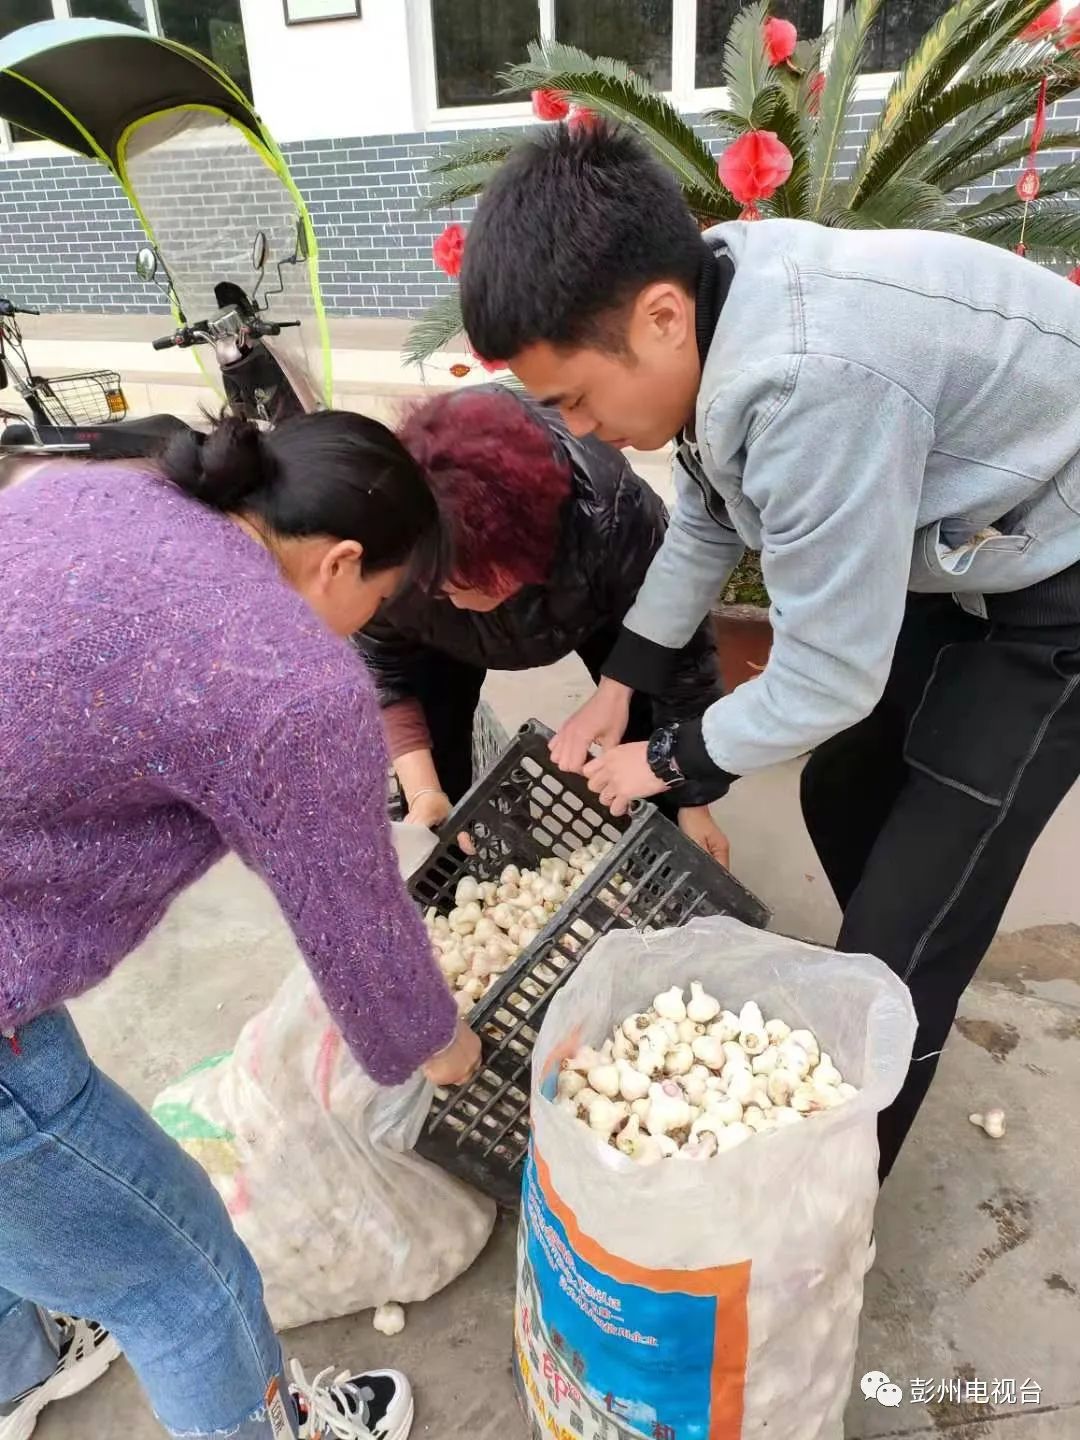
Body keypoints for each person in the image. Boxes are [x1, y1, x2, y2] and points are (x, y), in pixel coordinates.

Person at [456, 120, 1080, 1181]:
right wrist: (622, 687)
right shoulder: (718, 302)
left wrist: (662, 761)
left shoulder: (809, 379)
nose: (589, 431)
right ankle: (901, 976)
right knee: (844, 794)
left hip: (1058, 578)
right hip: (971, 535)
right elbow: (710, 514)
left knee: (901, 937)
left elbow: (831, 674)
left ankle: (834, 1204)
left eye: (574, 400)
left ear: (656, 318)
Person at [0, 412, 480, 1440]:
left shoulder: (90, 488)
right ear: (341, 562)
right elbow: (361, 943)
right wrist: (443, 1043)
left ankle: (14, 1366)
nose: (369, 626)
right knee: (185, 1279)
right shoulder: (290, 685)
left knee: (40, 1209)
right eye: (381, 599)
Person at [354, 384, 730, 862]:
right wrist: (424, 791)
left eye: (469, 584)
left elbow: (681, 655)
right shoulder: (396, 550)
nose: (458, 597)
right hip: (437, 643)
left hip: (594, 608)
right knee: (437, 768)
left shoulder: (610, 517)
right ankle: (444, 861)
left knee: (636, 718)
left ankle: (659, 847)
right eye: (442, 585)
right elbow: (384, 671)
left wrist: (693, 801)